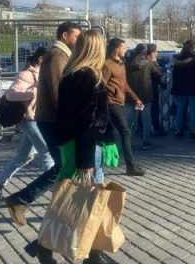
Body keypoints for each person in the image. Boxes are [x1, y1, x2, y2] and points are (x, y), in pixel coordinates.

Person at [47, 30, 119, 264]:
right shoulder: (89, 77)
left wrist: (107, 139)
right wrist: (86, 160)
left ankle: (89, 251)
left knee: (71, 193)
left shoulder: (72, 73)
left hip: (72, 141)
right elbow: (88, 120)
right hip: (83, 144)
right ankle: (84, 252)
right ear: (97, 49)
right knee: (85, 197)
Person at [4, 22, 82, 228]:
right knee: (66, 166)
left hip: (51, 119)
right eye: (76, 36)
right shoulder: (58, 55)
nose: (79, 40)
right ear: (65, 35)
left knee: (65, 166)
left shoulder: (60, 54)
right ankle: (21, 200)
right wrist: (69, 121)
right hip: (54, 120)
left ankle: (24, 200)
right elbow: (59, 93)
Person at [0, 49, 53, 203]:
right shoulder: (27, 74)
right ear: (41, 59)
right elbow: (11, 94)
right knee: (46, 151)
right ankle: (58, 191)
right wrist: (33, 92)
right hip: (28, 120)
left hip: (35, 118)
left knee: (24, 156)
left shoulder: (42, 73)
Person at [103, 38, 146, 176]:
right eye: (124, 47)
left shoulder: (121, 64)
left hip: (118, 102)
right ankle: (130, 166)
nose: (126, 50)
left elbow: (125, 85)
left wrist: (136, 98)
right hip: (110, 103)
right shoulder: (107, 65)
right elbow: (101, 85)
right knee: (125, 131)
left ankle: (127, 164)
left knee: (116, 133)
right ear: (116, 49)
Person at [125, 43, 162, 149]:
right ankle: (146, 141)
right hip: (145, 94)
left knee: (129, 119)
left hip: (130, 94)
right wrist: (154, 61)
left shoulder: (128, 62)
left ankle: (127, 142)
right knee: (146, 118)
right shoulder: (148, 62)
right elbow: (158, 73)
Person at [171, 41, 195, 138]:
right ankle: (193, 130)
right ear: (192, 48)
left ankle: (178, 130)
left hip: (180, 89)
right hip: (192, 88)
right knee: (193, 110)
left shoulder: (177, 59)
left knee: (180, 110)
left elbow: (174, 76)